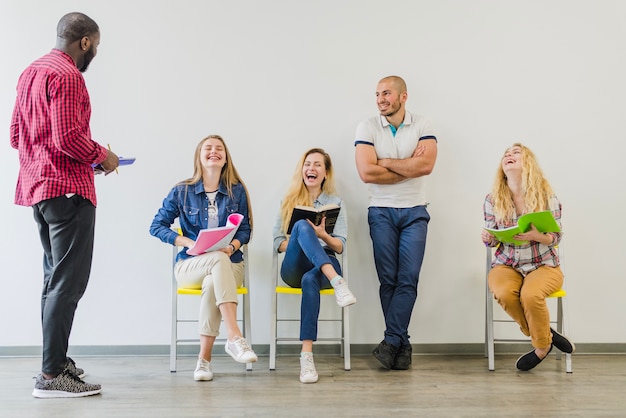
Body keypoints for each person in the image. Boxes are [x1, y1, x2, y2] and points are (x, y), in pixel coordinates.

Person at [10, 12, 119, 398]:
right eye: (97, 45)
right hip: (68, 191)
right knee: (67, 283)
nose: (95, 53)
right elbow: (68, 137)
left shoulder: (30, 72)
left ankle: (55, 362)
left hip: (38, 189)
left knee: (53, 281)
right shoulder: (69, 74)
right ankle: (53, 374)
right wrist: (102, 155)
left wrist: (46, 160)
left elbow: (15, 134)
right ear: (85, 42)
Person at [150, 134, 257, 381]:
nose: (214, 151)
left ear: (226, 158)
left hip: (230, 265)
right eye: (208, 148)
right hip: (190, 266)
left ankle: (204, 361)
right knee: (216, 262)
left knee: (215, 274)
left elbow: (245, 230)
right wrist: (186, 241)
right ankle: (234, 336)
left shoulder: (236, 191)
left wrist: (231, 247)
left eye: (219, 148)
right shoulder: (182, 191)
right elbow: (157, 225)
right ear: (199, 157)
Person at [354, 75, 437, 370]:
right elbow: (366, 172)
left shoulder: (423, 124)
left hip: (415, 211)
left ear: (403, 96)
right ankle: (401, 343)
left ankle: (391, 341)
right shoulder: (367, 126)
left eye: (386, 93)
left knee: (408, 278)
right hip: (381, 211)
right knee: (388, 280)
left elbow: (425, 165)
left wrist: (384, 161)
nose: (380, 99)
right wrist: (406, 167)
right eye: (377, 94)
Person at [481, 143, 575, 371]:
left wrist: (537, 236)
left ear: (528, 163)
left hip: (544, 265)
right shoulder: (493, 199)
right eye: (506, 154)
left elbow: (556, 237)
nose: (508, 156)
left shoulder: (546, 197)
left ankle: (542, 347)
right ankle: (546, 334)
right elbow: (492, 240)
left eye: (515, 153)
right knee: (503, 291)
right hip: (507, 264)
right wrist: (488, 236)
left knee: (530, 295)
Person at [272, 148, 356, 383]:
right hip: (294, 266)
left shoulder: (336, 203)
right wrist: (302, 236)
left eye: (318, 165)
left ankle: (306, 356)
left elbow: (339, 246)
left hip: (324, 263)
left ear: (325, 173)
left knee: (311, 279)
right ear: (302, 170)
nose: (312, 168)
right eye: (308, 164)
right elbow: (277, 243)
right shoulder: (288, 201)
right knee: (301, 226)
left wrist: (323, 235)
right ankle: (338, 282)